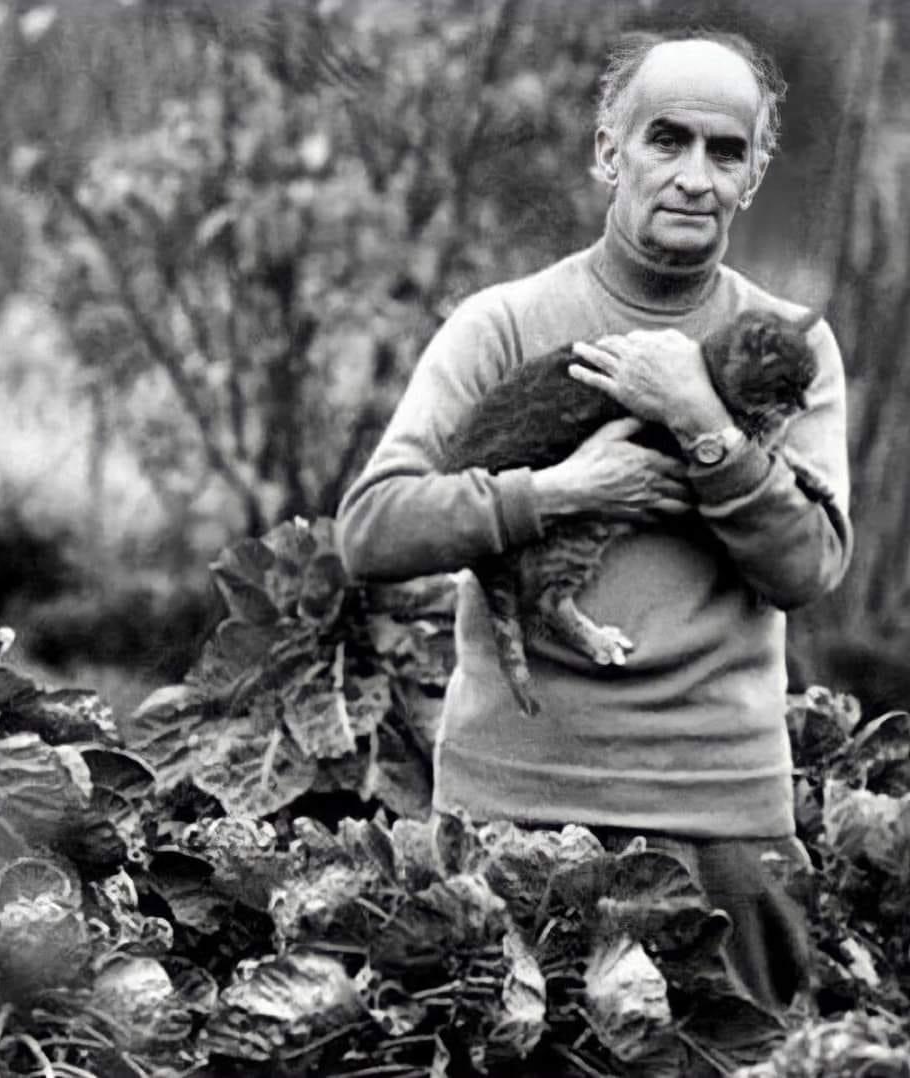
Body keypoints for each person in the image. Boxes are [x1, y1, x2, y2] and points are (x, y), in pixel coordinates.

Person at [335, 30, 853, 1011]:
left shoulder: (795, 345)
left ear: (753, 175)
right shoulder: (502, 324)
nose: (695, 176)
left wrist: (700, 417)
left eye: (726, 151)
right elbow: (373, 530)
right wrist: (559, 491)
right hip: (513, 815)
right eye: (666, 140)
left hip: (722, 825)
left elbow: (806, 565)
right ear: (609, 151)